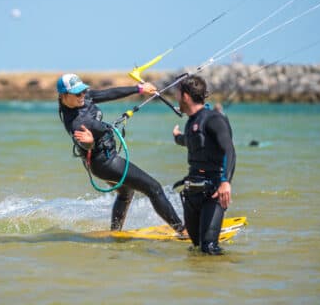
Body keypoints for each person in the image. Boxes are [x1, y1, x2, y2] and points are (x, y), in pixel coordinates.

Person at [57, 73, 186, 235]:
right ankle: (182, 230)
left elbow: (108, 93)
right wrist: (89, 143)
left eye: (83, 91)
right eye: (77, 94)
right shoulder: (76, 122)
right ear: (63, 96)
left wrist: (139, 89)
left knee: (126, 193)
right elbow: (84, 143)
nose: (82, 96)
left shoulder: (82, 98)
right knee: (154, 188)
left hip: (104, 158)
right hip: (104, 163)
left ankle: (115, 232)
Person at [172, 75, 236, 255]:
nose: (176, 99)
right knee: (196, 248)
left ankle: (227, 276)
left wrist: (226, 182)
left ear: (185, 96)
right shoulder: (191, 122)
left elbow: (229, 150)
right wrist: (177, 137)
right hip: (192, 193)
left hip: (213, 192)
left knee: (209, 248)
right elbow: (193, 141)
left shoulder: (214, 119)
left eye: (177, 95)